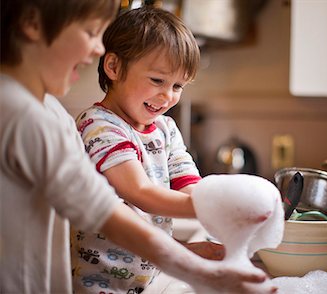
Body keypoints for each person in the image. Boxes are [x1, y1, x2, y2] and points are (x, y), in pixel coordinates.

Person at [0, 1, 277, 293]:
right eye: (91, 31)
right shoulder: (35, 116)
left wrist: (213, 214)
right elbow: (112, 206)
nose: (97, 48)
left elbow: (185, 188)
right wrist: (216, 213)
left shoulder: (48, 111)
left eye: (178, 86)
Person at [70, 7, 219, 292]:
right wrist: (212, 208)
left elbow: (188, 184)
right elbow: (138, 191)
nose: (168, 96)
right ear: (113, 67)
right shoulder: (98, 125)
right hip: (100, 284)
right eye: (157, 80)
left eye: (178, 86)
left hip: (148, 278)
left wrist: (219, 203)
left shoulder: (166, 129)